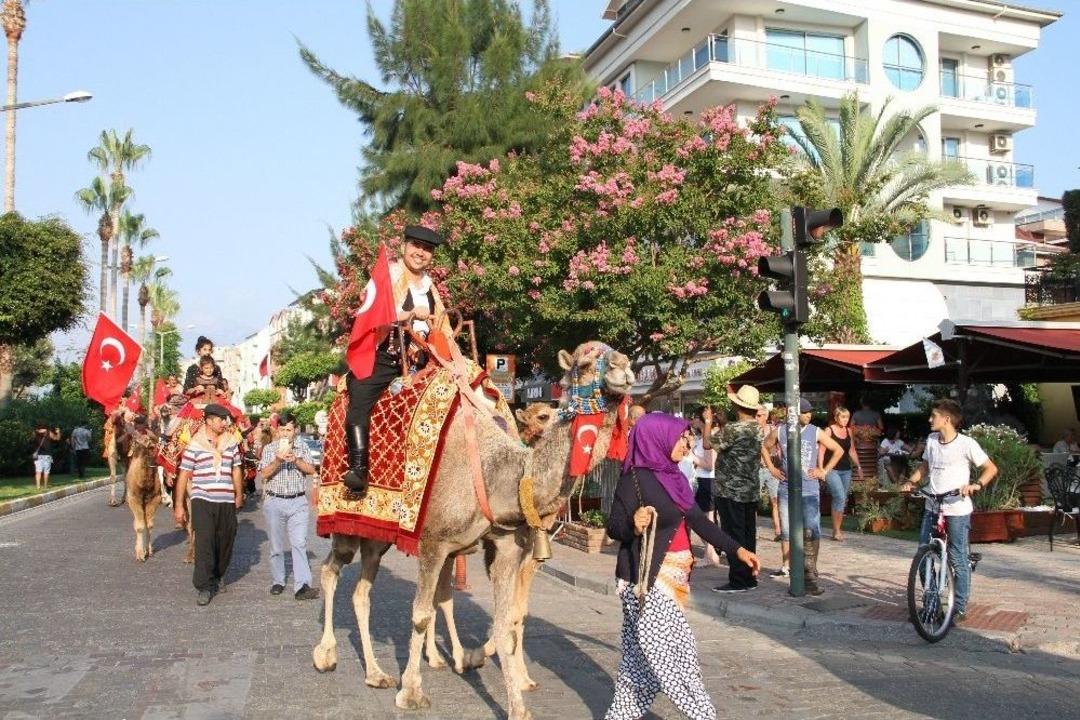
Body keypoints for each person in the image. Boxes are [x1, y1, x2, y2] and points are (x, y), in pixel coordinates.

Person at [604, 413, 760, 720]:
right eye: (681, 438)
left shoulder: (674, 477)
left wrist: (738, 549)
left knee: (639, 666)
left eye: (688, 438)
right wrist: (633, 526)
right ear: (658, 438)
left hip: (675, 578)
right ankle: (703, 715)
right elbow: (614, 526)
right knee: (675, 656)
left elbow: (700, 521)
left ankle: (620, 716)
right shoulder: (633, 479)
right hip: (645, 580)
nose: (686, 444)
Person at [343, 225, 453, 494]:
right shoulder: (387, 277)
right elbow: (370, 313)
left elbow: (444, 326)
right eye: (416, 246)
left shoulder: (431, 288)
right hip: (387, 357)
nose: (421, 253)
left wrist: (451, 353)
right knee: (358, 397)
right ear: (404, 247)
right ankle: (359, 470)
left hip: (424, 360)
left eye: (427, 249)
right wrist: (409, 314)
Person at [901, 399, 997, 623]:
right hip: (932, 505)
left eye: (933, 415)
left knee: (957, 557)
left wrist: (975, 485)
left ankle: (959, 608)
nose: (929, 419)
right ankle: (932, 605)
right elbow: (925, 466)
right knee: (923, 555)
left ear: (946, 419)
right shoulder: (932, 440)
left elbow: (990, 468)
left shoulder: (966, 444)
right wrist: (912, 482)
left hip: (957, 509)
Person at [762, 398, 843, 595]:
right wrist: (772, 468)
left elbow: (838, 450)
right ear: (794, 413)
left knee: (812, 530)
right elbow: (764, 446)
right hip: (786, 487)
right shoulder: (781, 431)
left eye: (810, 412)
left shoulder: (815, 431)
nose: (809, 415)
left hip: (809, 488)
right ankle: (787, 566)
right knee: (788, 530)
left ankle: (810, 570)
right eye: (805, 412)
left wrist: (823, 470)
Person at [174, 403, 245, 606]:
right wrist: (179, 505)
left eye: (226, 419)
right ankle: (204, 586)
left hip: (226, 499)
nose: (225, 423)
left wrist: (238, 493)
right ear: (209, 420)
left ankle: (218, 574)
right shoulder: (194, 445)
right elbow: (184, 475)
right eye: (221, 419)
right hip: (202, 499)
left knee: (226, 539)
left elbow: (237, 470)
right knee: (204, 542)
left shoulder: (231, 443)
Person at [704, 385, 768, 593]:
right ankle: (750, 577)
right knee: (748, 534)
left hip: (731, 490)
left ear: (738, 405)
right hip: (750, 489)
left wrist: (707, 422)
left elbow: (707, 444)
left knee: (733, 535)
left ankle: (739, 579)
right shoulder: (758, 428)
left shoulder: (733, 429)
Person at [257, 412, 320, 600]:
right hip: (275, 501)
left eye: (289, 430)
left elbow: (312, 469)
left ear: (295, 431)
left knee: (299, 543)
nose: (285, 433)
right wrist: (277, 460)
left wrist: (296, 460)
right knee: (276, 546)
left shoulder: (302, 447)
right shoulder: (270, 449)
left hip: (298, 501)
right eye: (282, 429)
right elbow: (264, 474)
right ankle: (278, 580)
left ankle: (302, 586)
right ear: (278, 430)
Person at [820, 406, 863, 541]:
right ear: (836, 417)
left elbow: (852, 451)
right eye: (842, 417)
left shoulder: (848, 431)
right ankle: (836, 530)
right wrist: (821, 469)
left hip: (846, 469)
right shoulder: (829, 431)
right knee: (839, 496)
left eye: (847, 417)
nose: (845, 420)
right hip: (831, 469)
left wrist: (859, 466)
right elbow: (821, 450)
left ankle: (837, 529)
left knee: (842, 499)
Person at [31, 425, 61, 489]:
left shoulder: (35, 433)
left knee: (38, 471)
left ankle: (38, 486)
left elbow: (31, 440)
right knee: (46, 472)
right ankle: (45, 486)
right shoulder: (48, 433)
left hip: (38, 456)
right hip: (47, 455)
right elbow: (57, 438)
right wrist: (58, 432)